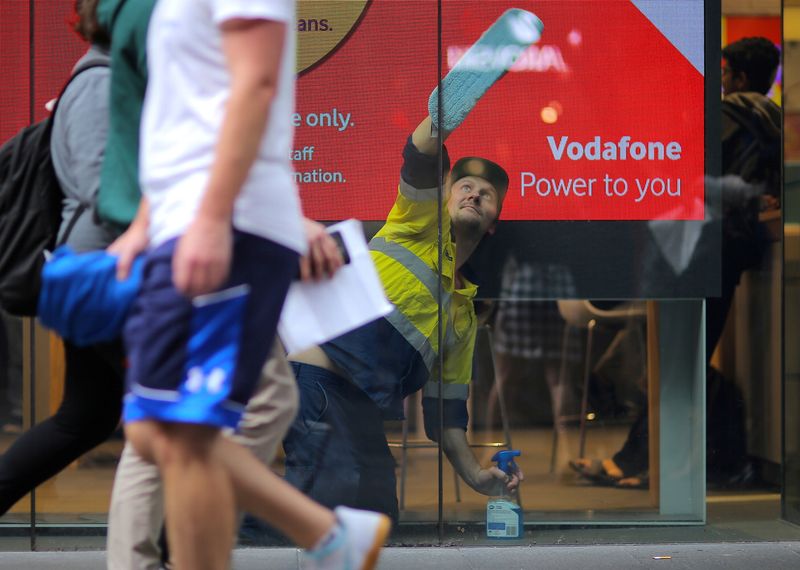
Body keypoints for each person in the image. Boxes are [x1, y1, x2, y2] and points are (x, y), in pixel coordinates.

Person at [108, 0, 390, 568]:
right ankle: (327, 535)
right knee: (160, 428)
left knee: (180, 428)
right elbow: (183, 116)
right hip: (186, 219)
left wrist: (211, 219)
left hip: (219, 223)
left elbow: (256, 83)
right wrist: (146, 222)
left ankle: (328, 536)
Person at [281, 110, 522, 523]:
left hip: (361, 410)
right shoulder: (416, 225)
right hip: (317, 385)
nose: (474, 195)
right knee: (314, 512)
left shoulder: (462, 315)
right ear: (444, 199)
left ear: (494, 223)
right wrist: (446, 110)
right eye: (465, 186)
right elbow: (421, 157)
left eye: (486, 194)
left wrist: (477, 477)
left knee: (377, 517)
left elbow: (446, 419)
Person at [571, 36, 781, 490]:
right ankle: (666, 460)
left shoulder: (725, 118)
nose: (719, 81)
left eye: (723, 73)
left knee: (675, 362)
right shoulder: (772, 120)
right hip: (734, 253)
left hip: (698, 252)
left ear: (739, 77)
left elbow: (690, 179)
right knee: (682, 360)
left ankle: (651, 462)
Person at [0, 0, 127, 516]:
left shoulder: (114, 78)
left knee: (87, 416)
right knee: (178, 421)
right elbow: (105, 191)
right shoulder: (100, 82)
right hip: (101, 273)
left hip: (102, 269)